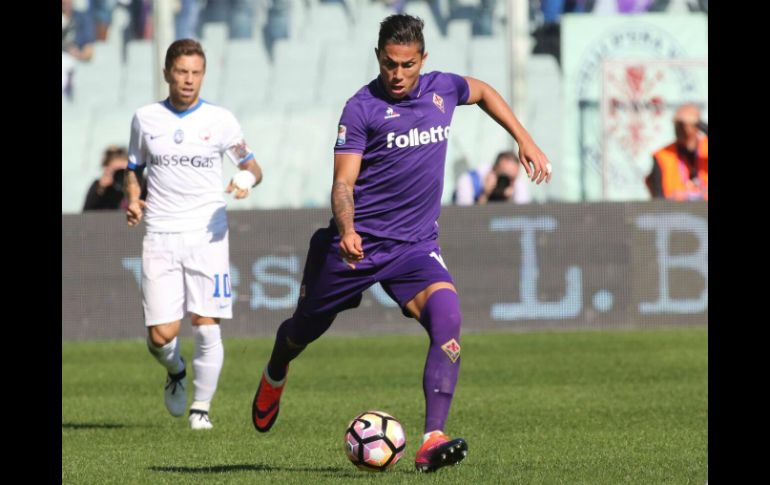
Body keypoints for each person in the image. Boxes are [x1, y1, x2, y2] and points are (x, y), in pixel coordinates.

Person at [250, 14, 551, 472]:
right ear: (377, 57)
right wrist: (347, 228)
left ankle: (432, 438)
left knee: (448, 315)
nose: (398, 74)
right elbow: (343, 183)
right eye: (390, 63)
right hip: (357, 245)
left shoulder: (443, 89)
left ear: (422, 59)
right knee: (303, 330)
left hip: (415, 246)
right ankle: (276, 366)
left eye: (407, 65)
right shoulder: (361, 108)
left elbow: (485, 91)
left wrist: (523, 139)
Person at [124, 39, 263, 430]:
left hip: (208, 236)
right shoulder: (145, 118)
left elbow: (254, 167)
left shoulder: (220, 121)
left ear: (203, 74)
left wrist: (243, 177)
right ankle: (176, 370)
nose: (188, 80)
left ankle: (201, 409)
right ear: (167, 73)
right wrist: (133, 199)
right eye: (181, 72)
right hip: (161, 234)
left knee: (206, 323)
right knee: (160, 336)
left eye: (196, 72)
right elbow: (133, 168)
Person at [645, 103, 708, 200]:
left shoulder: (705, 147)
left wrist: (698, 123)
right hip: (676, 212)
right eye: (678, 125)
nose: (681, 129)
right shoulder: (663, 155)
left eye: (685, 125)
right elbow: (658, 199)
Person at [454, 150, 532, 205]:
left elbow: (522, 219)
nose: (507, 182)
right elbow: (465, 220)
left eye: (512, 178)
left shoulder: (516, 183)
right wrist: (485, 194)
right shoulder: (468, 181)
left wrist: (510, 200)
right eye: (504, 177)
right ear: (493, 171)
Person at [83, 145, 147, 211]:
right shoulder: (100, 188)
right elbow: (85, 216)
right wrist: (100, 190)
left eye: (124, 171)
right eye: (117, 172)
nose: (122, 175)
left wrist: (137, 179)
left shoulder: (142, 185)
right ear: (107, 170)